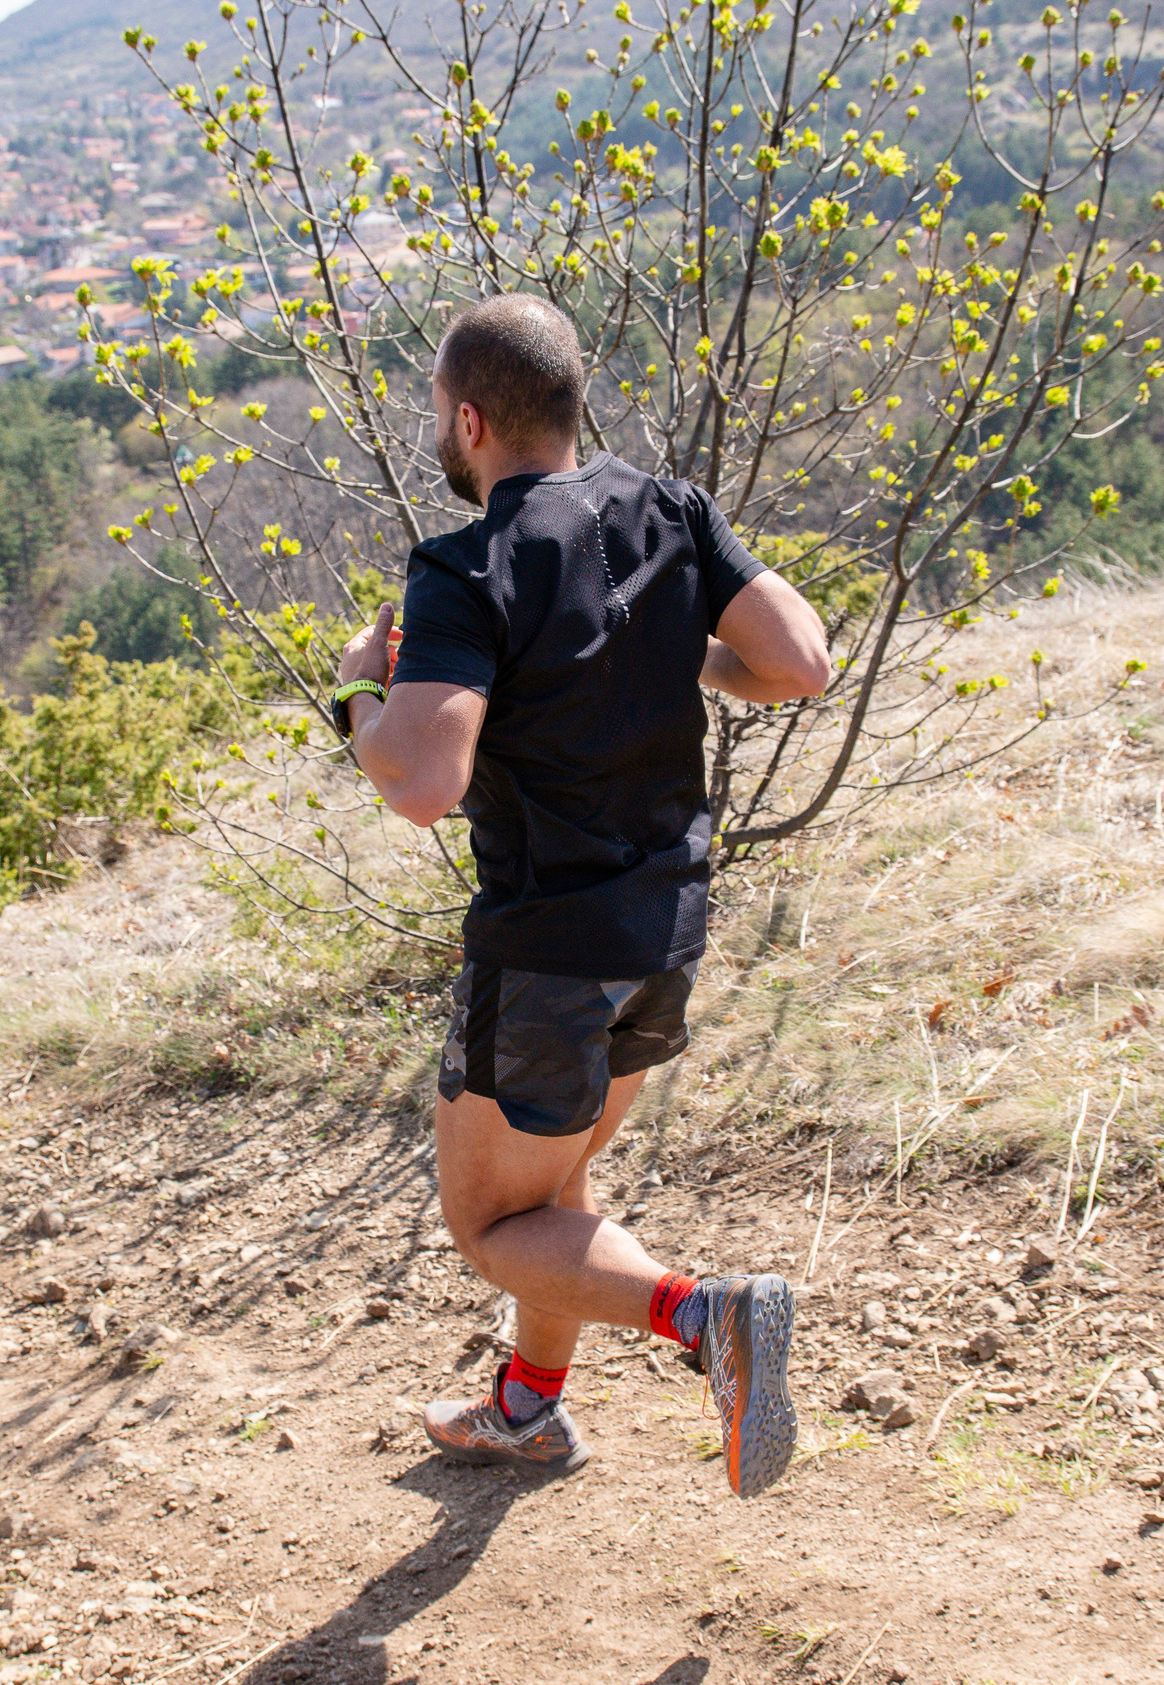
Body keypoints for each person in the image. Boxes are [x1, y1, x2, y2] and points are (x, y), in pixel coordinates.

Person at [328, 293, 832, 1497]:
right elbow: (799, 662)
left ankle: (708, 1318)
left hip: (547, 949)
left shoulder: (465, 566)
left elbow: (420, 783)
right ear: (571, 404)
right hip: (664, 925)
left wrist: (355, 691)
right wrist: (675, 648)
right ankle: (525, 1413)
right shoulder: (670, 509)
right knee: (560, 1189)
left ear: (469, 420)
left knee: (495, 1231)